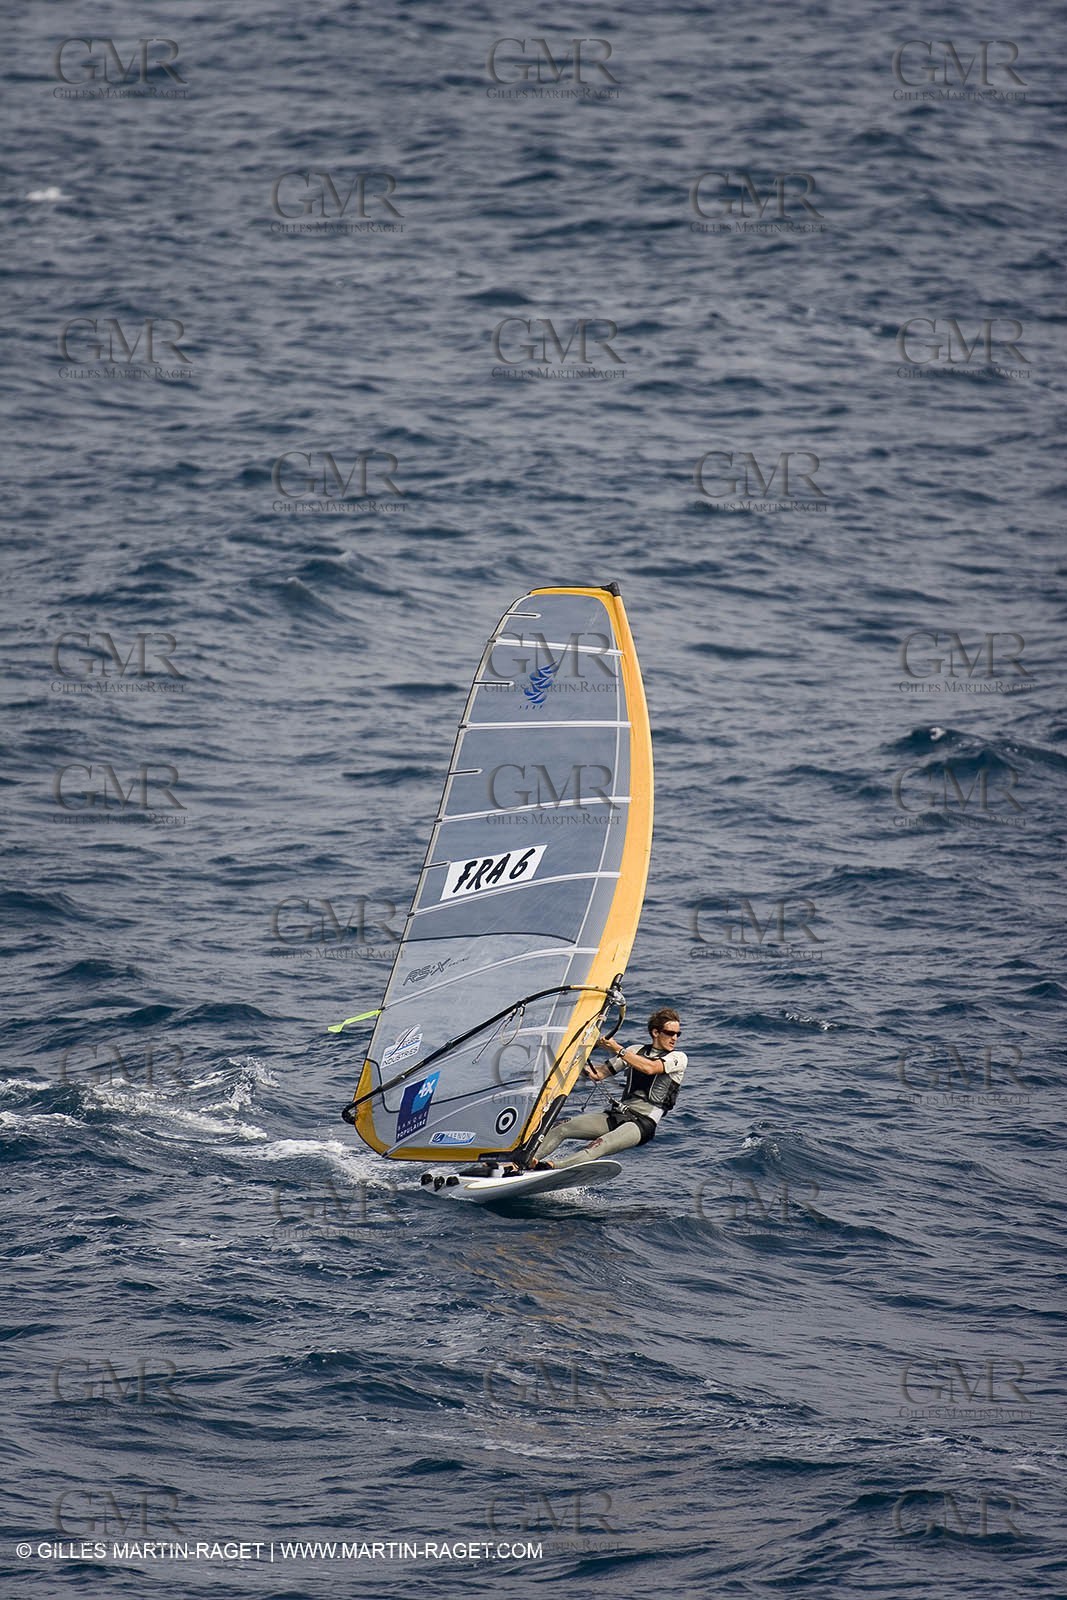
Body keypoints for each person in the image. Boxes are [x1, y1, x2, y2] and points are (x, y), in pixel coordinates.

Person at [530, 1008, 687, 1169]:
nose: (674, 1038)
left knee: (599, 1145)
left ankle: (550, 1167)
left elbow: (650, 1068)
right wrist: (570, 1059)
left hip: (642, 1123)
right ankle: (527, 1161)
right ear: (655, 1032)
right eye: (670, 1033)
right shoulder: (635, 1051)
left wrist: (617, 1048)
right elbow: (598, 1074)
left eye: (678, 1034)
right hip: (617, 1115)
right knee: (562, 1127)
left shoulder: (678, 1057)